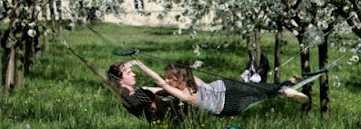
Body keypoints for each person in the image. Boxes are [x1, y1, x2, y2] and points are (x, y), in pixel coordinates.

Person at [129, 60, 309, 116]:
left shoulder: (185, 94)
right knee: (258, 91)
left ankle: (285, 88)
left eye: (169, 78)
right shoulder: (192, 80)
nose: (166, 80)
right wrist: (140, 89)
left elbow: (160, 85)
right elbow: (158, 88)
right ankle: (286, 85)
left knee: (258, 91)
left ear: (179, 79)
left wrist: (140, 65)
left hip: (228, 104)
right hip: (227, 90)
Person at [108, 61, 185, 121]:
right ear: (119, 80)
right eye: (128, 73)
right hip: (172, 118)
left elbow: (165, 90)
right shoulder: (128, 98)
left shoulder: (140, 89)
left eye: (131, 71)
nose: (134, 74)